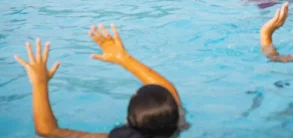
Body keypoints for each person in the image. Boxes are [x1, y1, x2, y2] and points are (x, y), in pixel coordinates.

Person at [14, 25, 182, 138]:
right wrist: (123, 58)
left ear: (129, 120)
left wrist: (39, 83)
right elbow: (168, 91)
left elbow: (47, 130)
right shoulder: (176, 127)